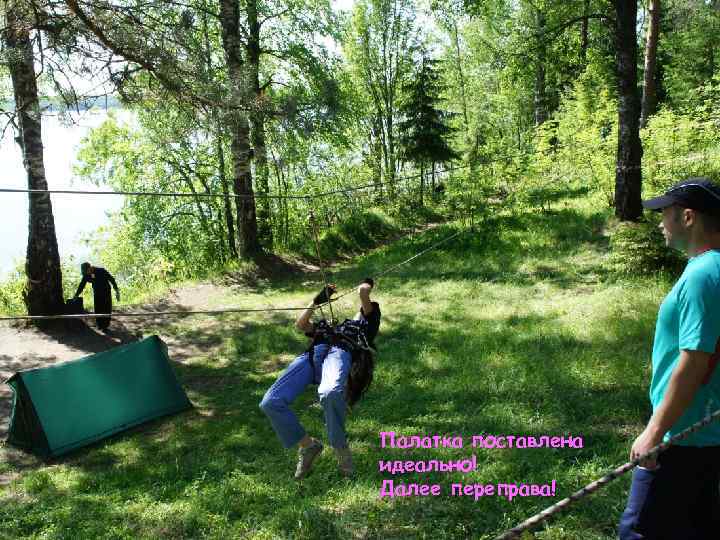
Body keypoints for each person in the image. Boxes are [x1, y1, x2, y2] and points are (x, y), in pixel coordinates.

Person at [618, 177, 720, 539]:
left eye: (665, 213)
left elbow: (694, 362)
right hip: (704, 432)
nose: (661, 222)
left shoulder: (703, 276)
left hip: (683, 437)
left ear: (688, 217)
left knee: (638, 532)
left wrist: (654, 432)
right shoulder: (712, 269)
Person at [259, 278, 381, 480]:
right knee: (270, 402)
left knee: (329, 392)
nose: (360, 310)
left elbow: (364, 294)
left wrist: (367, 283)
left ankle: (341, 451)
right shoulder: (330, 327)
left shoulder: (366, 325)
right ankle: (308, 446)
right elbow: (301, 325)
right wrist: (316, 302)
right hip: (311, 357)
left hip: (339, 353)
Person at [74, 262, 120, 332]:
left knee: (106, 308)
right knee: (98, 308)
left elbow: (111, 279)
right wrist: (76, 295)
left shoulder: (101, 271)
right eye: (85, 273)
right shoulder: (86, 275)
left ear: (90, 268)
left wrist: (116, 291)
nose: (87, 274)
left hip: (106, 292)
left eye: (87, 272)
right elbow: (82, 285)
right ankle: (100, 325)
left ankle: (105, 326)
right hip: (97, 293)